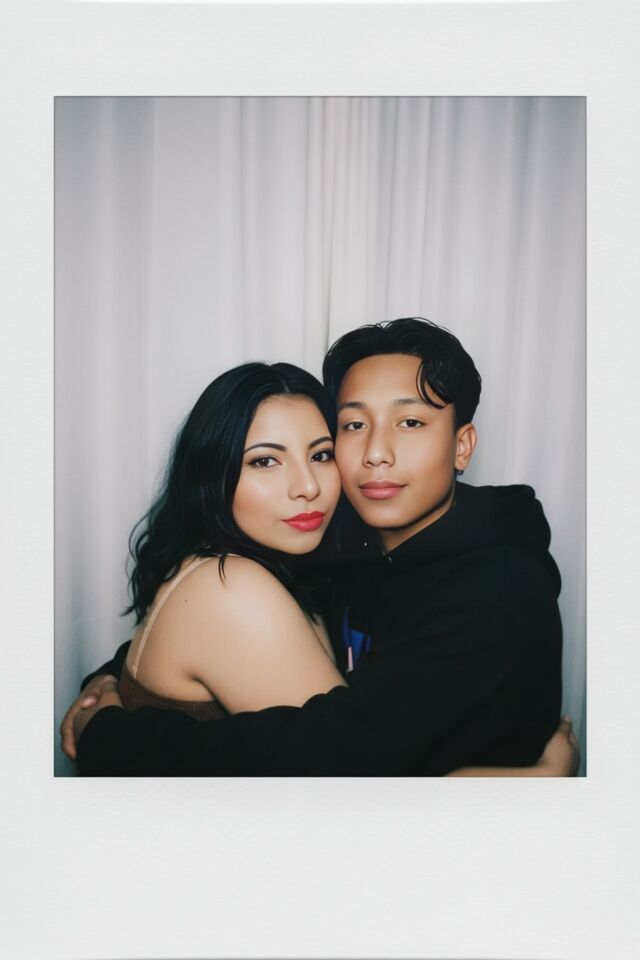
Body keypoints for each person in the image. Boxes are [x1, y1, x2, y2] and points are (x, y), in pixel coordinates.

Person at [62, 318, 577, 776]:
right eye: (354, 425)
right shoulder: (341, 543)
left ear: (461, 446)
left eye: (411, 422)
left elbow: (343, 759)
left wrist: (106, 734)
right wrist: (109, 681)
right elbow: (202, 638)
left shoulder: (494, 591)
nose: (376, 453)